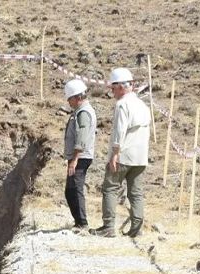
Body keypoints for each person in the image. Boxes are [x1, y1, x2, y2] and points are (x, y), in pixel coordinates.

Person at [95, 67, 152, 238]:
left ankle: (108, 226)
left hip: (124, 155)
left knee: (110, 188)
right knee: (136, 193)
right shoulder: (143, 105)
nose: (112, 92)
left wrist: (114, 153)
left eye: (113, 88)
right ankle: (136, 228)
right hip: (140, 157)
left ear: (121, 87)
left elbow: (120, 131)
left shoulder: (122, 105)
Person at [62, 78, 97, 229]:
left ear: (77, 97)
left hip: (80, 157)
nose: (69, 102)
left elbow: (82, 136)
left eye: (70, 99)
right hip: (77, 157)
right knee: (70, 191)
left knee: (75, 189)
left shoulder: (84, 113)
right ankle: (78, 222)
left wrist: (75, 158)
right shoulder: (79, 112)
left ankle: (82, 223)